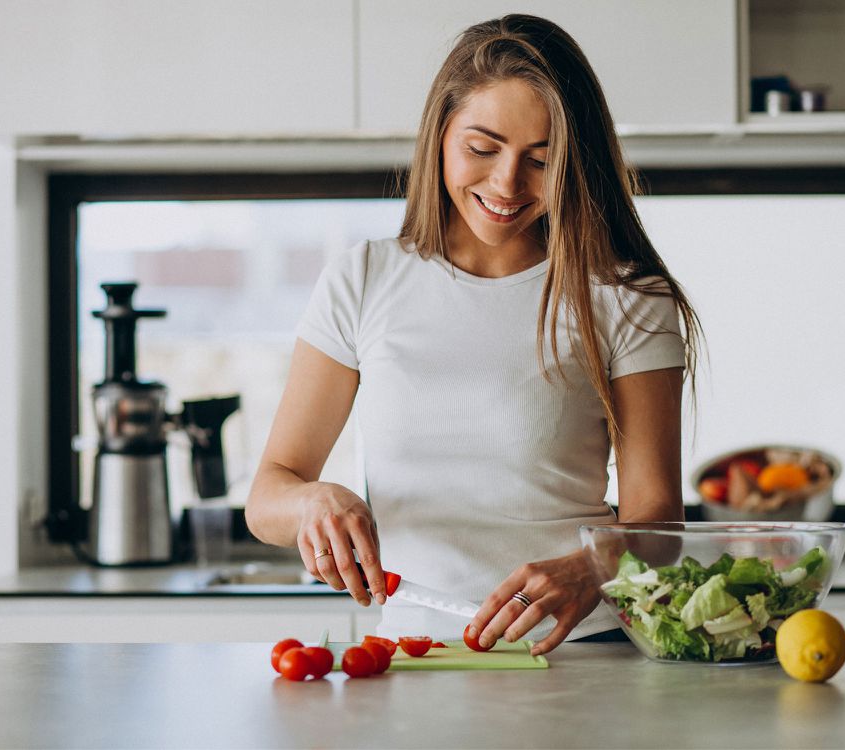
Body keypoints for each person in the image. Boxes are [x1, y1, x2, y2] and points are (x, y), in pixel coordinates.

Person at [245, 14, 701, 656]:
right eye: (482, 149)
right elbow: (270, 494)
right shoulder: (365, 278)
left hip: (577, 652)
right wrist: (313, 502)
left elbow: (658, 527)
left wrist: (593, 568)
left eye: (541, 161)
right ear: (439, 136)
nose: (507, 184)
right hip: (409, 654)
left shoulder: (626, 296)